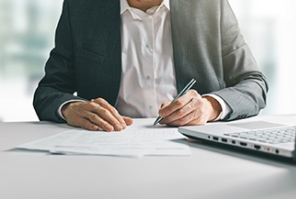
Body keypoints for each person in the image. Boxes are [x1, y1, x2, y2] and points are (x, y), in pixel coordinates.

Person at [33, 0, 268, 132]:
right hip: (105, 150)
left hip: (196, 148)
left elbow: (254, 84)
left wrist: (209, 107)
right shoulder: (82, 7)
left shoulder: (210, 5)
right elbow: (48, 91)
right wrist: (71, 108)